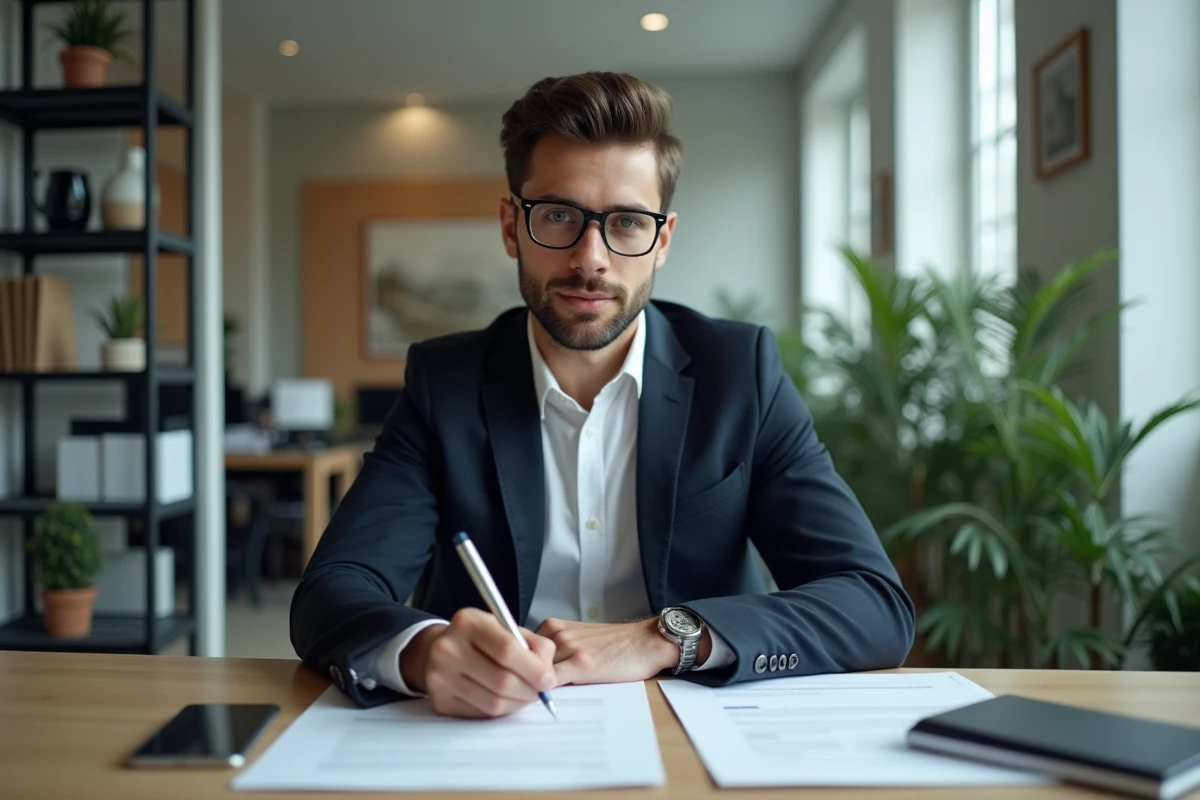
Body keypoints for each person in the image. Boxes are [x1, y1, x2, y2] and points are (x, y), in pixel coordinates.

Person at [290, 71, 915, 718]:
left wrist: (665, 636)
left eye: (626, 222)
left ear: (662, 240)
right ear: (512, 227)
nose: (591, 258)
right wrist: (425, 650)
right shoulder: (443, 385)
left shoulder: (741, 377)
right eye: (558, 215)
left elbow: (873, 602)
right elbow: (331, 592)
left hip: (694, 734)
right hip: (492, 739)